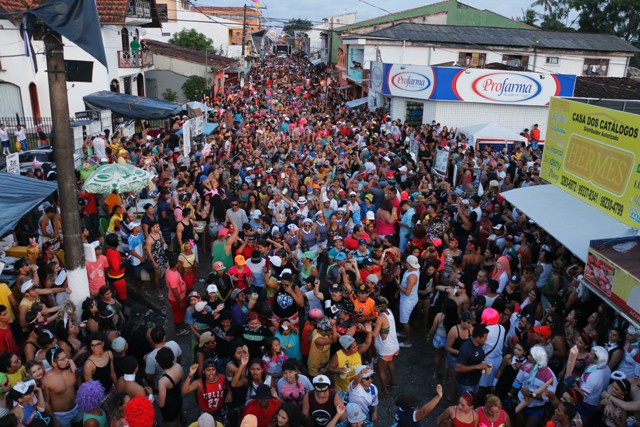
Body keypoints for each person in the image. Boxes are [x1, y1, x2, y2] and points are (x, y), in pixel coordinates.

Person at [42, 347, 81, 427]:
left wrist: (76, 371)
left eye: (66, 357)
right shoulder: (46, 380)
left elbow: (79, 386)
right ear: (54, 364)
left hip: (77, 408)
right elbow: (46, 402)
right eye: (63, 359)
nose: (67, 360)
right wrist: (54, 420)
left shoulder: (71, 369)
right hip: (62, 416)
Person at [371, 297, 398, 395]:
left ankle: (384, 391)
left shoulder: (380, 317)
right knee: (390, 363)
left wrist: (366, 329)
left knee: (380, 369)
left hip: (385, 348)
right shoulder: (389, 311)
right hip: (393, 345)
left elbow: (374, 334)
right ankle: (393, 381)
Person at [455, 323, 489, 398]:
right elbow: (458, 367)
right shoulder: (466, 349)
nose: (486, 340)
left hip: (475, 381)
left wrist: (483, 367)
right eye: (484, 338)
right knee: (465, 403)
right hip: (466, 383)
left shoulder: (479, 345)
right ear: (477, 338)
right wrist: (477, 366)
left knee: (472, 401)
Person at [398, 255, 420, 348]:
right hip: (407, 298)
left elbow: (407, 292)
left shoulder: (412, 276)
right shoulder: (413, 270)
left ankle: (408, 341)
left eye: (406, 262)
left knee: (404, 321)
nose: (405, 263)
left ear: (409, 264)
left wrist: (398, 285)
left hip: (408, 300)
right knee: (404, 319)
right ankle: (403, 333)